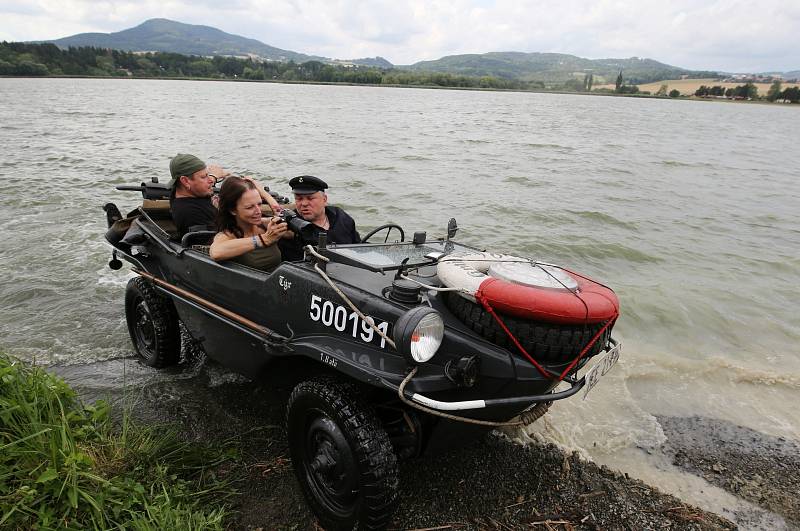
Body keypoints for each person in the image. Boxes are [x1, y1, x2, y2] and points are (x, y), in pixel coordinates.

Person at [168, 153, 283, 238]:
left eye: (208, 175)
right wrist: (262, 193)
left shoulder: (190, 191)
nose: (210, 181)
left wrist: (214, 177)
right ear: (185, 181)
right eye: (203, 177)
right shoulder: (190, 213)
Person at [209, 177, 288, 272]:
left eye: (259, 204)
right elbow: (216, 253)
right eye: (250, 207)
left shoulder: (265, 224)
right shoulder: (228, 235)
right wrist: (265, 239)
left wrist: (264, 194)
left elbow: (283, 217)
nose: (258, 211)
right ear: (232, 210)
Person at [278, 175, 360, 261]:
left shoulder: (340, 216)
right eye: (299, 199)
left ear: (324, 199)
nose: (304, 203)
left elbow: (359, 247)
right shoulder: (289, 226)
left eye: (310, 198)